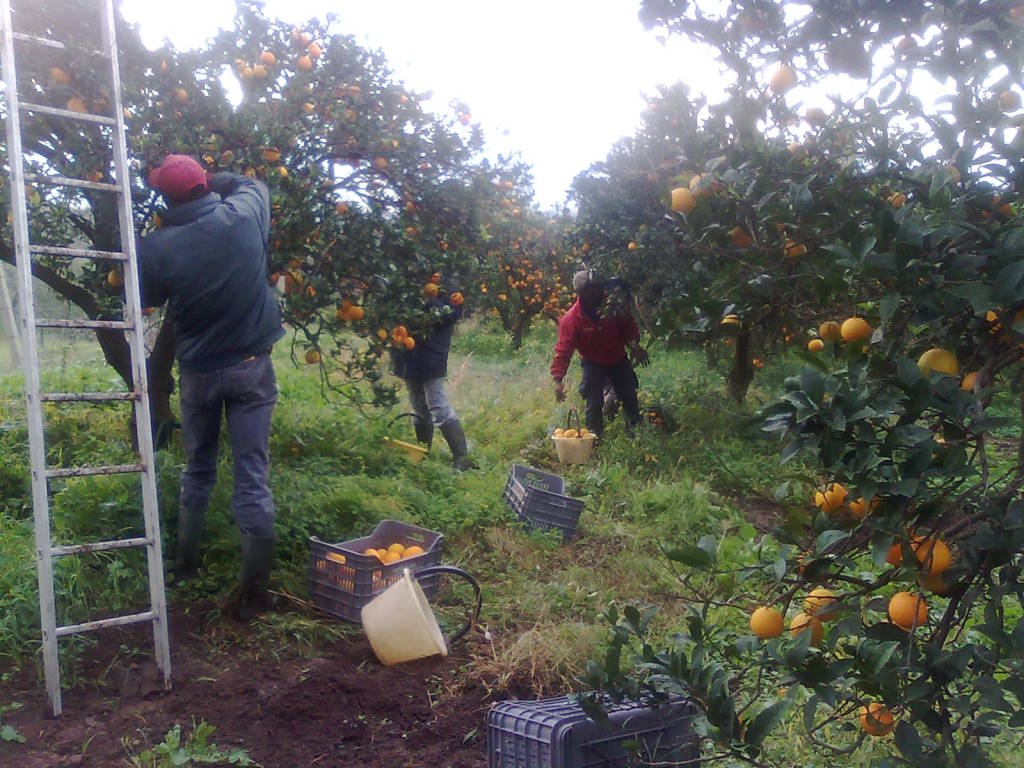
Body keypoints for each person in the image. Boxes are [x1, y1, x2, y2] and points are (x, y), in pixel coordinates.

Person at [138, 155, 284, 620]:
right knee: (252, 477)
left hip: (199, 372)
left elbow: (147, 301)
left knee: (197, 470)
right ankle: (253, 594)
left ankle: (185, 568)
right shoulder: (243, 214)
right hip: (249, 367)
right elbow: (252, 182)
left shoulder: (158, 247)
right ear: (206, 185)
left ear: (165, 198)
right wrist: (216, 178)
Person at [550, 270, 648, 437]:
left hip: (618, 359)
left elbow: (628, 326)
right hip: (592, 362)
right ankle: (593, 439)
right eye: (591, 291)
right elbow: (563, 350)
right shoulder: (572, 319)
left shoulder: (613, 306)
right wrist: (558, 380)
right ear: (581, 293)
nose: (597, 292)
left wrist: (635, 346)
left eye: (597, 288)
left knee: (629, 395)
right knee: (593, 401)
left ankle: (635, 433)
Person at [391, 288, 475, 471]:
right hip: (408, 357)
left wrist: (429, 302)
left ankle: (461, 457)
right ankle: (422, 450)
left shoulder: (442, 298)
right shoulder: (407, 290)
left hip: (431, 357)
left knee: (438, 404)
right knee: (418, 405)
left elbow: (450, 315)